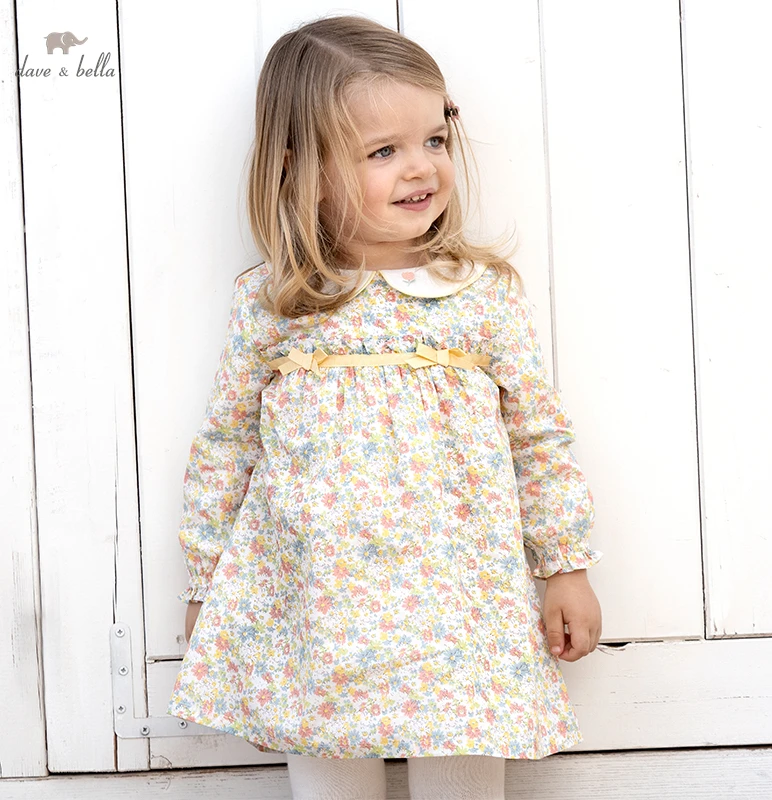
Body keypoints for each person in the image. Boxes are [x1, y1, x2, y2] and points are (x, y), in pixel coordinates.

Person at [166, 13, 604, 800]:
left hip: (461, 596)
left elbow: (537, 437)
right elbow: (227, 447)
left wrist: (564, 567)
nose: (421, 168)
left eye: (434, 139)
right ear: (304, 170)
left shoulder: (480, 296)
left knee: (466, 744)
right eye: (383, 151)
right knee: (328, 751)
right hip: (319, 600)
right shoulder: (274, 305)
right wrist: (206, 586)